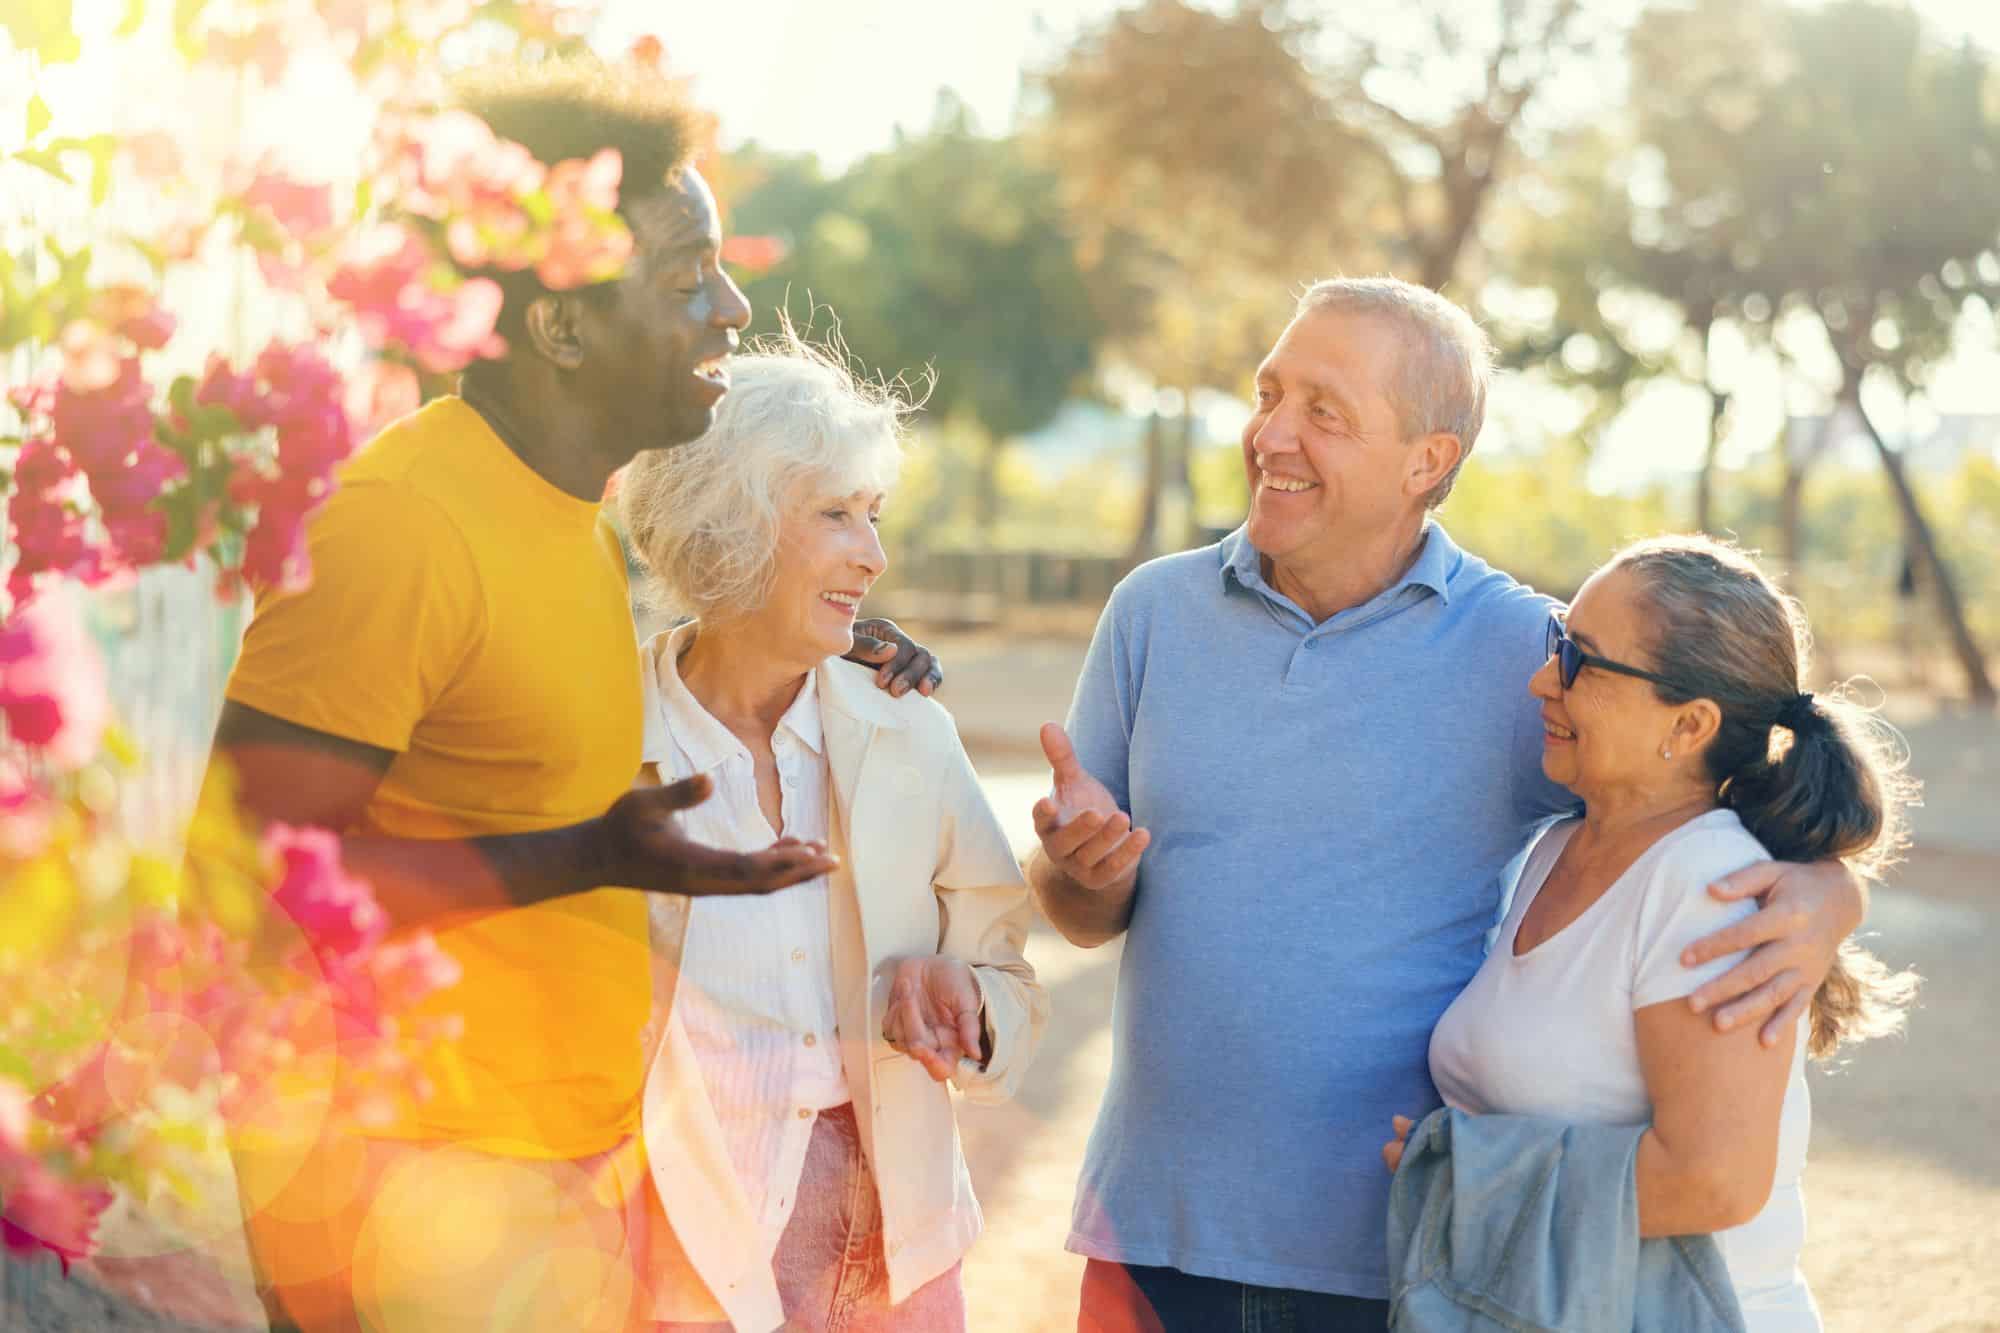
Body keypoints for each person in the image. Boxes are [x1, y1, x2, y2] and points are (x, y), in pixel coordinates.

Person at [211, 60, 940, 1333]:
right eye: (681, 282)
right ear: (558, 327)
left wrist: (821, 633)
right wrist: (586, 854)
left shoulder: (573, 518)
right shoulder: (399, 524)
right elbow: (253, 869)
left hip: (552, 1193)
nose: (729, 307)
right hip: (408, 1201)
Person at [1029, 277, 1869, 1333]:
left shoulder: (1535, 655)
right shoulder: (1150, 613)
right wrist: (1079, 874)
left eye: (1322, 412)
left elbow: (1717, 780)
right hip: (1153, 1225)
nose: (1268, 433)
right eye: (1268, 392)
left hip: (1402, 1257)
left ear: (1428, 462)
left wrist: (1826, 891)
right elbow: (1077, 911)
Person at [614, 333, 1047, 1332]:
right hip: (682, 1250)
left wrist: (965, 1007)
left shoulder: (907, 731)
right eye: (836, 514)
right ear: (730, 526)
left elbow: (1008, 982)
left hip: (899, 1252)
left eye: (875, 515)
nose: (874, 554)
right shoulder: (605, 739)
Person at [1386, 534, 1918, 1331]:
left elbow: (1714, 1181)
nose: (1542, 678)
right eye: (1558, 640)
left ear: (1690, 723)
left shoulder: (1708, 885)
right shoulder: (1559, 845)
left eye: (1582, 662)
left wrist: (1463, 1176)